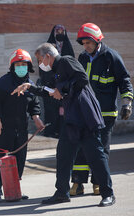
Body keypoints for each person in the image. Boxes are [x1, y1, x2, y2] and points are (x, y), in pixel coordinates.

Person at [13, 43, 116, 207]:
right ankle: (61, 193)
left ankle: (108, 194)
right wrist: (30, 88)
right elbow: (52, 91)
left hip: (85, 118)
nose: (40, 64)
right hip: (72, 121)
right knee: (63, 156)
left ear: (48, 56)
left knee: (96, 157)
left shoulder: (66, 61)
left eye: (40, 59)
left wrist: (63, 89)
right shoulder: (56, 72)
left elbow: (82, 78)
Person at [69, 23, 133, 196]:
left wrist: (127, 103)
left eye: (88, 42)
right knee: (81, 148)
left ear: (97, 40)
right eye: (83, 43)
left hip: (105, 114)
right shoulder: (82, 58)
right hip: (84, 113)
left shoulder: (111, 57)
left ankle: (98, 183)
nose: (86, 46)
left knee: (100, 149)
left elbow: (124, 81)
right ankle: (77, 182)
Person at [0, 49, 45, 201]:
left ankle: (14, 189)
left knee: (19, 158)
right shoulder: (3, 83)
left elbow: (34, 104)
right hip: (1, 128)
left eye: (24, 64)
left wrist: (36, 117)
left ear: (28, 66)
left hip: (20, 128)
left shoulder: (29, 85)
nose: (21, 67)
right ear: (12, 67)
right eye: (18, 64)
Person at [39, 25, 75, 138]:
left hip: (64, 85)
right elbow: (42, 65)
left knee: (63, 110)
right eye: (57, 31)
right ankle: (50, 131)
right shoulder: (47, 47)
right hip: (49, 84)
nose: (60, 34)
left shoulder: (68, 47)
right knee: (50, 110)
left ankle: (62, 131)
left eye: (62, 32)